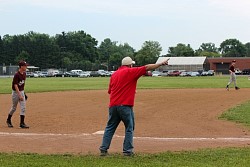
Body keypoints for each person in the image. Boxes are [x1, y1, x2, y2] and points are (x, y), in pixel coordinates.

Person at [99, 56, 169, 156]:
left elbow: (110, 91)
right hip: (125, 106)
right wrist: (160, 64)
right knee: (129, 128)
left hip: (113, 105)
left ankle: (103, 149)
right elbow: (147, 67)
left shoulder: (114, 74)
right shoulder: (130, 72)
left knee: (110, 127)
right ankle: (127, 151)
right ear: (130, 65)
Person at [6, 60, 29, 128]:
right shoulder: (16, 75)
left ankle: (22, 123)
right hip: (16, 92)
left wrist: (23, 93)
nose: (26, 67)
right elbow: (15, 85)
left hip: (21, 91)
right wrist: (20, 95)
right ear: (21, 66)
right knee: (14, 108)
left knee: (23, 108)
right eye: (25, 66)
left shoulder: (24, 74)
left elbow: (22, 85)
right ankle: (8, 120)